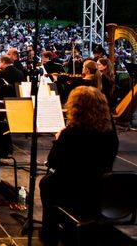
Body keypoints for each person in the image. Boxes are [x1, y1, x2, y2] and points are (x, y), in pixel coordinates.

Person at [39, 86, 118, 245]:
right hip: (101, 189)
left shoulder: (71, 133)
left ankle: (51, 231)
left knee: (46, 183)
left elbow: (53, 161)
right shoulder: (110, 133)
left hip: (74, 188)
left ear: (76, 108)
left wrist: (59, 138)